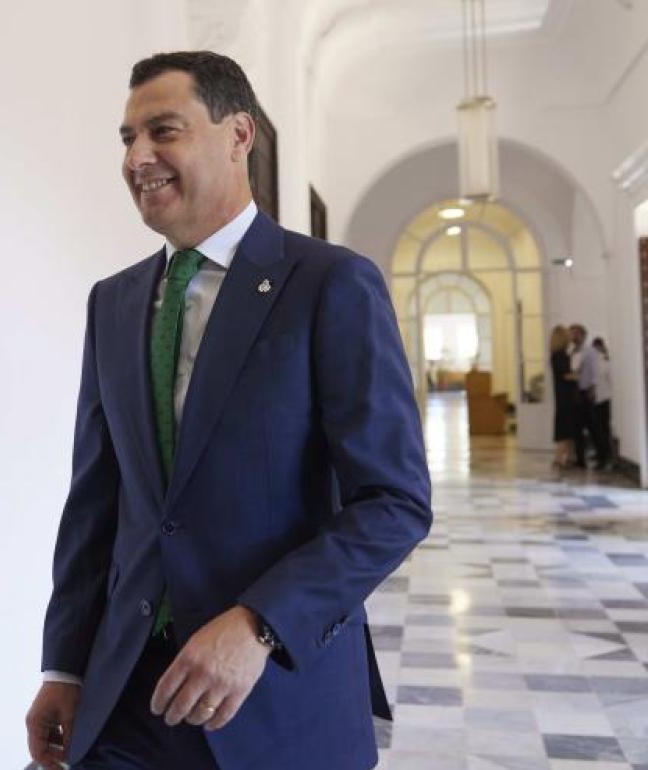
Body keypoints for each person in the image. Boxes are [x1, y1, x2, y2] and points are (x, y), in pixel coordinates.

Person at [25, 51, 432, 770]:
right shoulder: (112, 302)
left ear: (239, 135)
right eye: (128, 139)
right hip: (127, 700)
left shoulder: (330, 284)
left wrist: (259, 624)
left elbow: (394, 503)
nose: (138, 158)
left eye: (163, 131)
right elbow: (97, 501)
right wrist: (65, 666)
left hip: (275, 698)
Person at [569, 324, 609, 470]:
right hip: (575, 392)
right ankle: (580, 459)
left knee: (593, 427)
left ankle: (603, 457)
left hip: (586, 392)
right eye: (571, 333)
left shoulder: (589, 352)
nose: (572, 336)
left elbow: (594, 371)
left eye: (574, 333)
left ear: (582, 335)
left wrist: (592, 388)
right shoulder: (572, 352)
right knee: (577, 427)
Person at [548, 325, 576, 471]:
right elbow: (566, 375)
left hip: (563, 396)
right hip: (566, 397)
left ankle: (568, 457)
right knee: (565, 429)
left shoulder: (557, 355)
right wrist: (579, 375)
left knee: (568, 428)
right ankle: (559, 459)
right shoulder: (560, 356)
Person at [592, 337, 613, 470]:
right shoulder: (602, 361)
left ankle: (604, 456)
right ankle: (603, 455)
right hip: (601, 399)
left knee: (601, 430)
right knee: (601, 429)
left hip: (601, 399)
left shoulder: (603, 362)